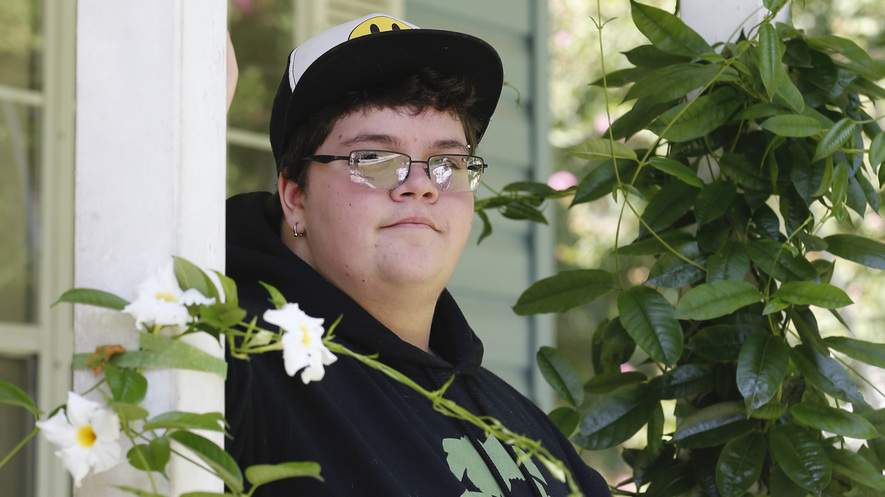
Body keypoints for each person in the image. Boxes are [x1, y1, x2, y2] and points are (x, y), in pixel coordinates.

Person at [224, 12, 611, 496]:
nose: (422, 185)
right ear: (295, 196)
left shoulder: (528, 428)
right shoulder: (233, 356)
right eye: (375, 159)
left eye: (447, 162)